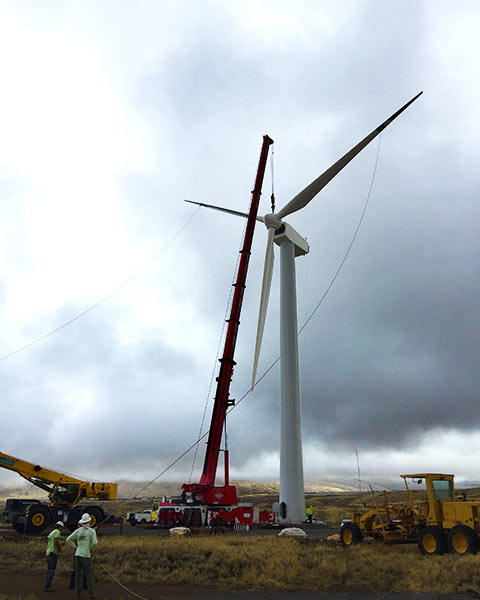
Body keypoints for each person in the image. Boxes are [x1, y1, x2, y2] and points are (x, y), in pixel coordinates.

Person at [66, 513, 97, 599]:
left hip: (77, 555)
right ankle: (91, 594)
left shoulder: (78, 531)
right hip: (86, 556)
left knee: (77, 575)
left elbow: (68, 540)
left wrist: (75, 547)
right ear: (89, 521)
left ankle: (77, 594)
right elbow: (94, 543)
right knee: (89, 575)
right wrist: (90, 548)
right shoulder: (92, 531)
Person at [44, 521, 64, 592]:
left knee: (49, 570)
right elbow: (56, 541)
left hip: (48, 552)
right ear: (60, 527)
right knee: (52, 570)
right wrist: (59, 548)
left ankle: (47, 584)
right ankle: (47, 586)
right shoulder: (57, 532)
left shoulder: (51, 532)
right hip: (53, 553)